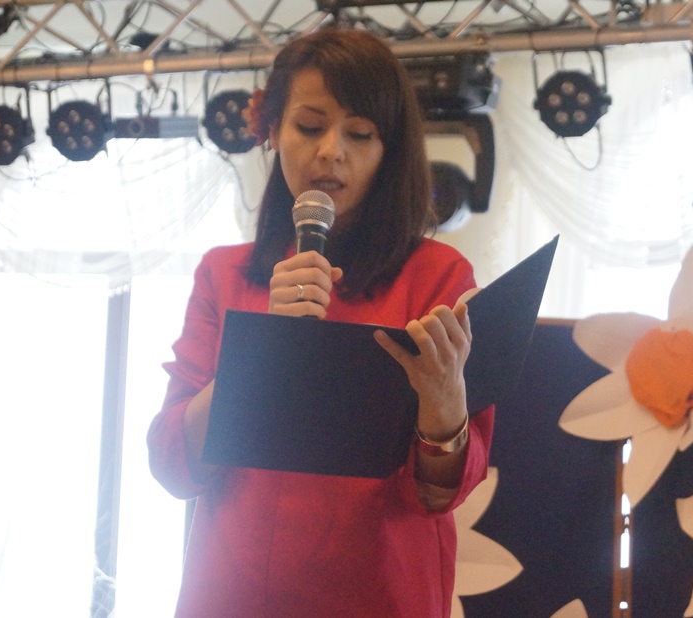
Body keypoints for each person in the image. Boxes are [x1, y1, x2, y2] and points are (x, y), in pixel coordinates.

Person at [147, 28, 493, 617]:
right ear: (272, 132)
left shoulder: (438, 277)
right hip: (232, 594)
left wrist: (443, 409)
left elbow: (442, 493)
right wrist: (262, 349)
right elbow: (172, 464)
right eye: (309, 126)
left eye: (359, 133)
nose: (331, 150)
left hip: (378, 594)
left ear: (389, 151)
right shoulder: (224, 275)